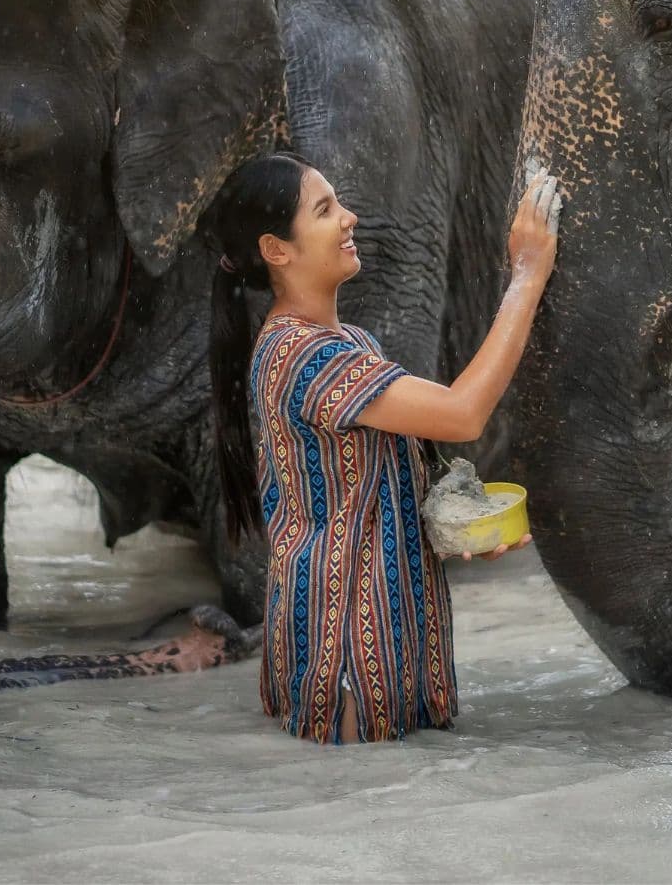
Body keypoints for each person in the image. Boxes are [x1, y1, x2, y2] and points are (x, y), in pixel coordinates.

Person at [204, 152, 561, 744]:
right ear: (276, 250)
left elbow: (387, 486)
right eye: (325, 210)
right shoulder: (305, 357)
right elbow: (462, 413)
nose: (349, 218)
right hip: (344, 655)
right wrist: (527, 275)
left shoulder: (349, 343)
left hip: (389, 642)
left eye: (339, 202)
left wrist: (461, 530)